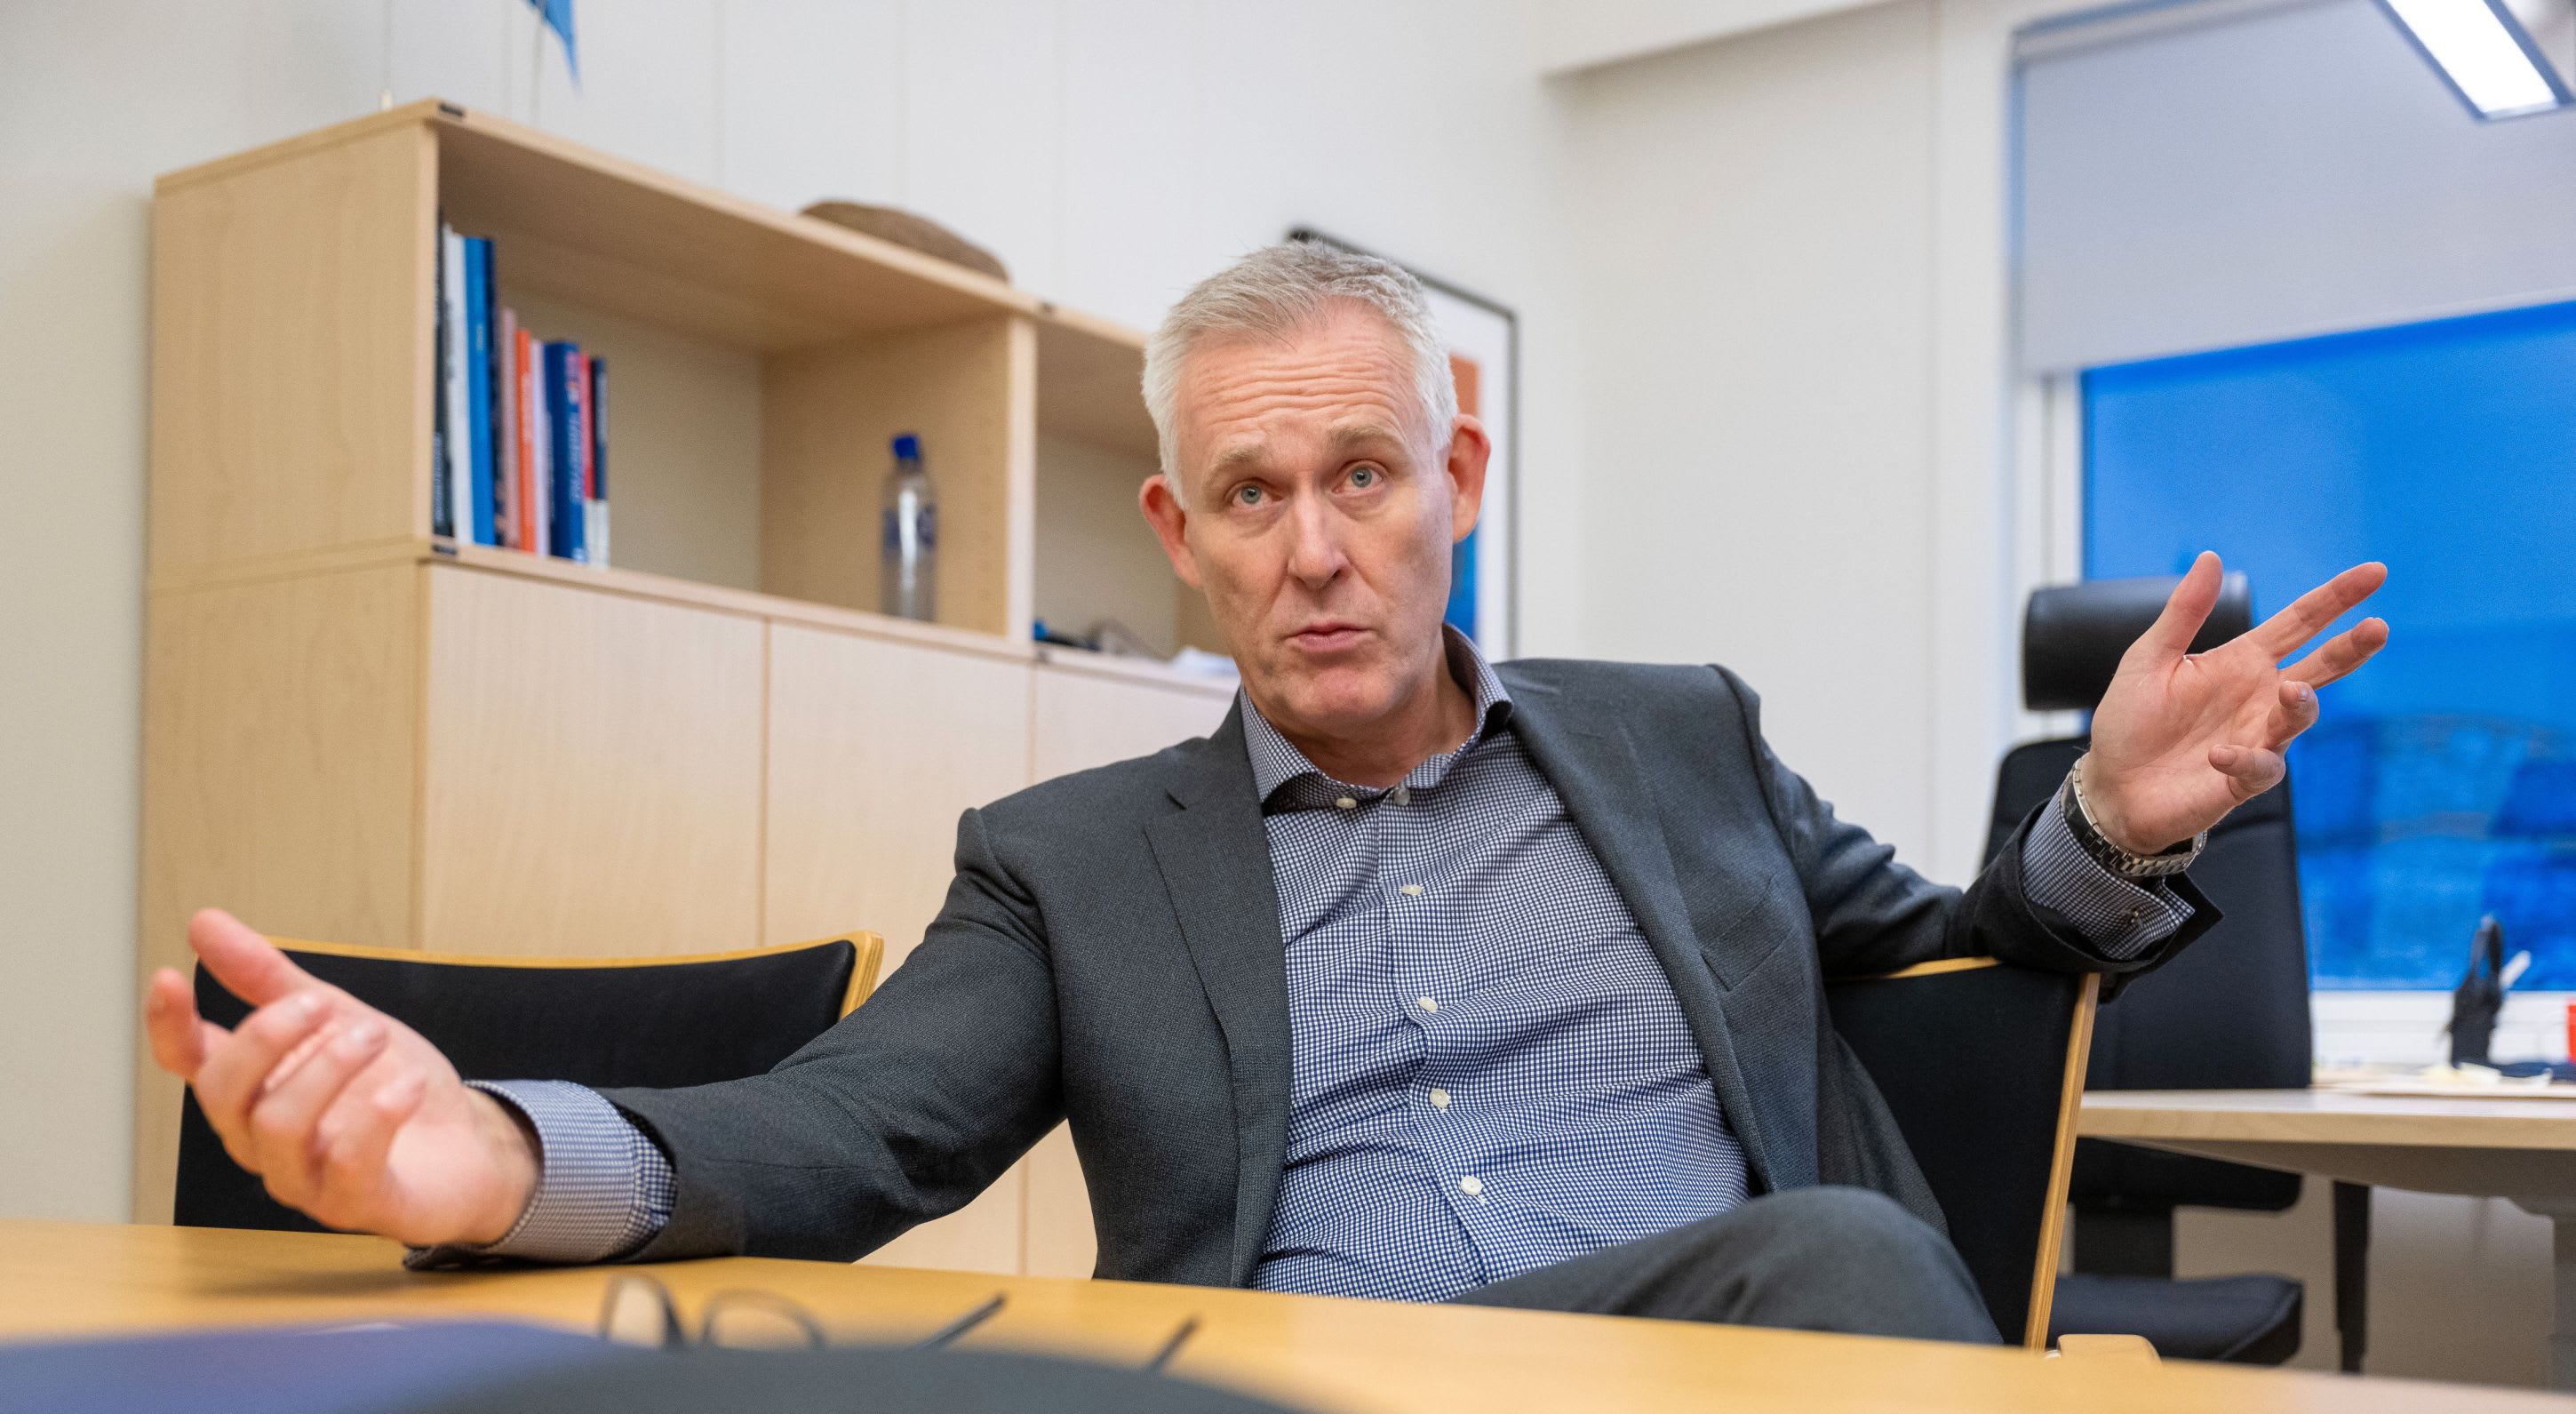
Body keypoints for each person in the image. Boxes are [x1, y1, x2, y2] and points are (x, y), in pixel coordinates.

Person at [147, 243, 2389, 1343]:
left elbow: (1962, 966)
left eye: (1362, 475)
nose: (1313, 550)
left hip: (1711, 1370)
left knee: (1845, 1248)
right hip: (1299, 1391)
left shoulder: (1676, 735)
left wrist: (2115, 819)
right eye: (1249, 493)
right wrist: (492, 1150)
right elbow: (842, 1130)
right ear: (1180, 535)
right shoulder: (1068, 865)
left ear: (1457, 480)